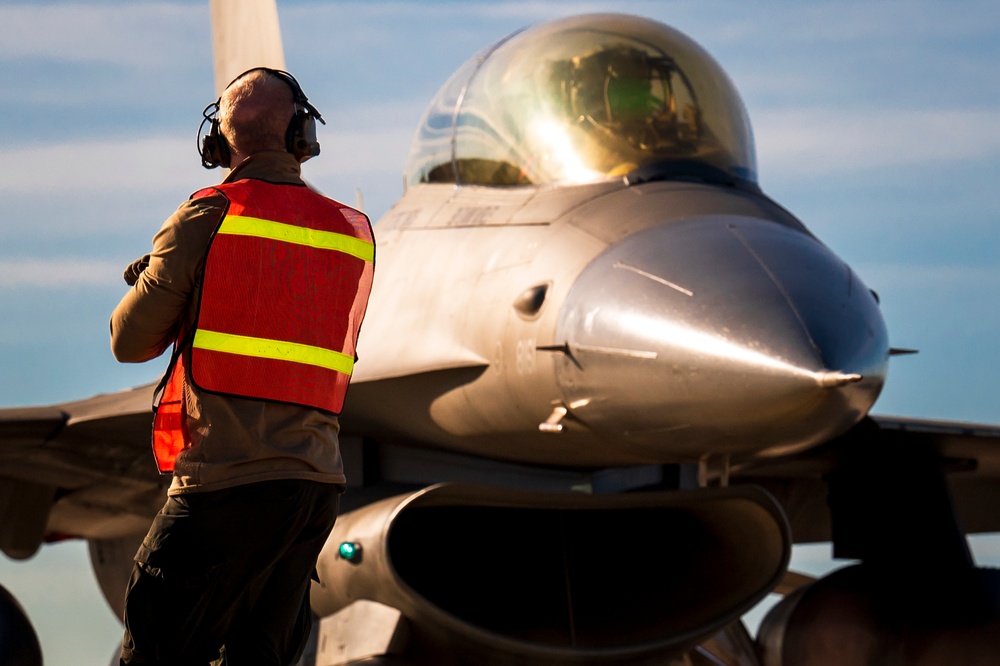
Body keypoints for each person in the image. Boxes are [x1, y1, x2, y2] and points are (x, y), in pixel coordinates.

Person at [110, 67, 375, 665]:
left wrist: (161, 275)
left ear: (218, 143)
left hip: (225, 483)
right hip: (312, 488)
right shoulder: (350, 232)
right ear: (303, 134)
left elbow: (128, 340)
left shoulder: (207, 216)